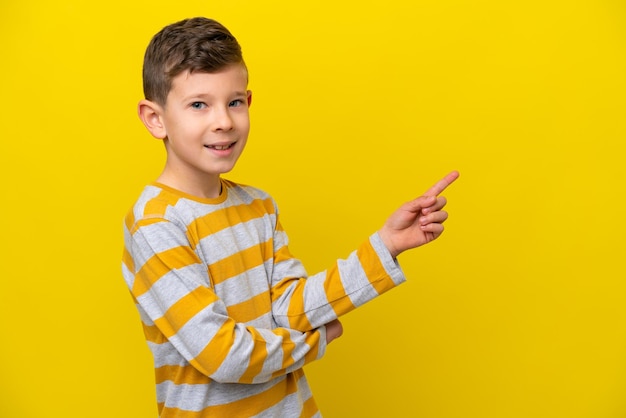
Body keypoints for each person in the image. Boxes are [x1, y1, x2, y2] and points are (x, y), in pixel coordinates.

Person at [121, 16, 459, 418]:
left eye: (234, 102)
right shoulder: (155, 224)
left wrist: (386, 244)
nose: (224, 121)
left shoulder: (258, 206)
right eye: (199, 104)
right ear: (155, 118)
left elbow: (288, 309)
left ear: (248, 103)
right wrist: (313, 345)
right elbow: (221, 355)